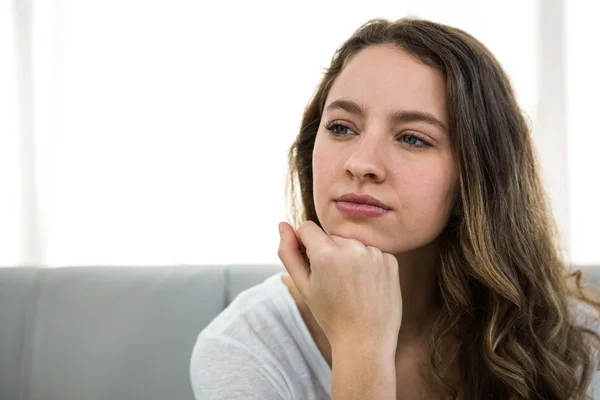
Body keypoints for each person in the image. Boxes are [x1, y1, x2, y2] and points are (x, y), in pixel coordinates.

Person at [189, 17, 600, 399]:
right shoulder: (245, 347)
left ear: (478, 174)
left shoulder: (577, 342)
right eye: (341, 128)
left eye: (412, 138)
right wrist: (360, 343)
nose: (361, 163)